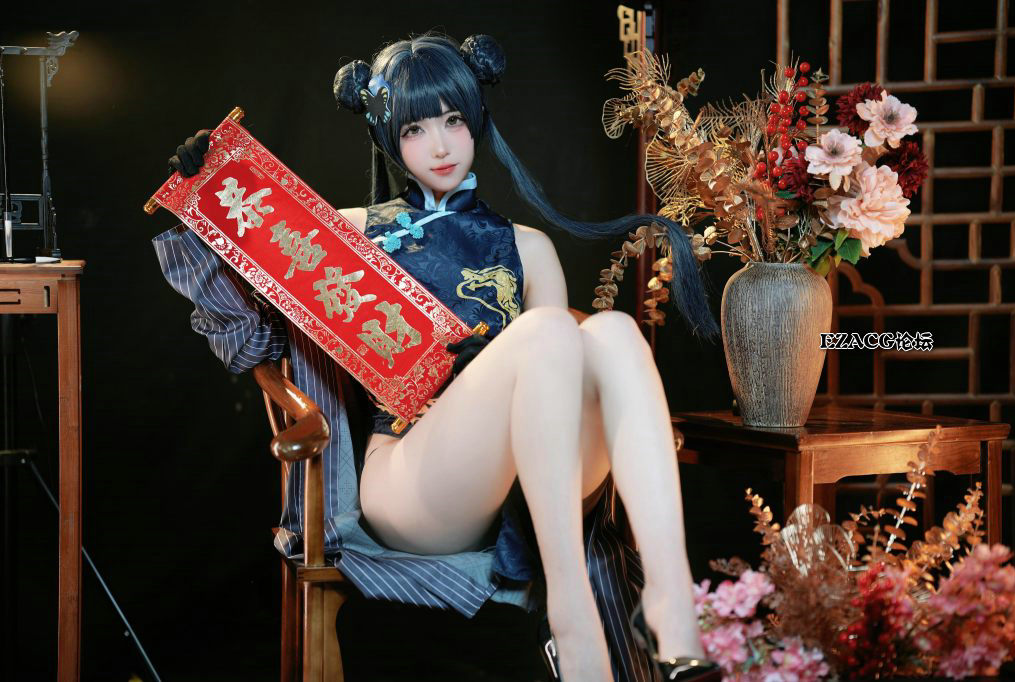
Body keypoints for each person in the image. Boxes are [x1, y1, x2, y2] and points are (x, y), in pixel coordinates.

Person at [156, 32, 720, 682]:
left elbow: (561, 400)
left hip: (524, 491)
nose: (442, 145)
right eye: (416, 129)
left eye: (454, 120)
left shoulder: (528, 247)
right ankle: (570, 617)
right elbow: (251, 337)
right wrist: (208, 200)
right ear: (388, 137)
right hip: (411, 475)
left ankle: (674, 612)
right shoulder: (347, 234)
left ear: (476, 118)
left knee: (614, 332)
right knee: (547, 331)